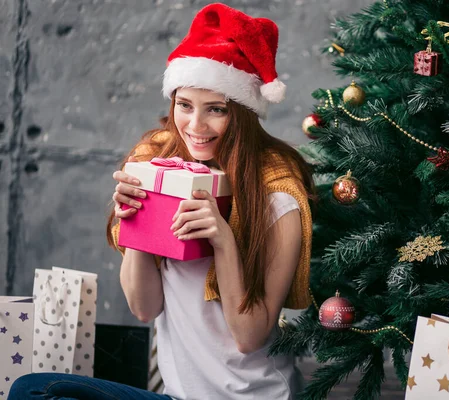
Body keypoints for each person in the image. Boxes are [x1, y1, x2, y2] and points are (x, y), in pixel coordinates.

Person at [9, 3, 315, 399]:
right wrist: (134, 223)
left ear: (242, 113)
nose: (196, 126)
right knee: (35, 389)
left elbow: (250, 337)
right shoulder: (159, 168)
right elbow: (144, 308)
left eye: (217, 110)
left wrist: (223, 241)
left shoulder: (277, 197)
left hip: (254, 396)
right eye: (184, 105)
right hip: (177, 396)